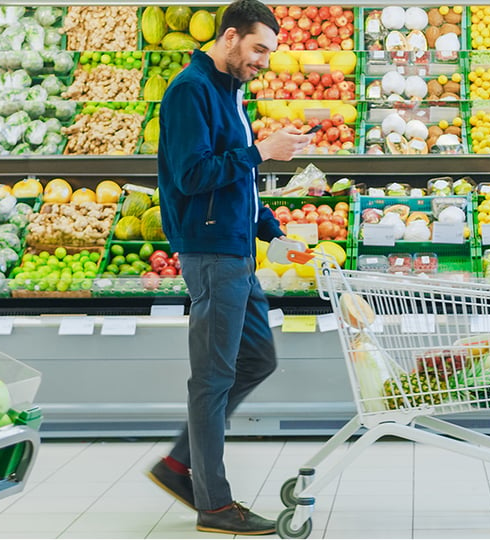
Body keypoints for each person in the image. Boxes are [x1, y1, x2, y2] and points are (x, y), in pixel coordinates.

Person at [145, 0, 313, 535]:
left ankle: (178, 461)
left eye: (269, 51)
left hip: (238, 249)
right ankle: (214, 504)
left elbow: (234, 177)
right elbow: (193, 175)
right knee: (213, 379)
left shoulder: (230, 91)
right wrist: (264, 151)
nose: (264, 60)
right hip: (211, 252)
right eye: (259, 48)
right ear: (231, 37)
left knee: (258, 358)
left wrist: (272, 229)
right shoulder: (189, 91)